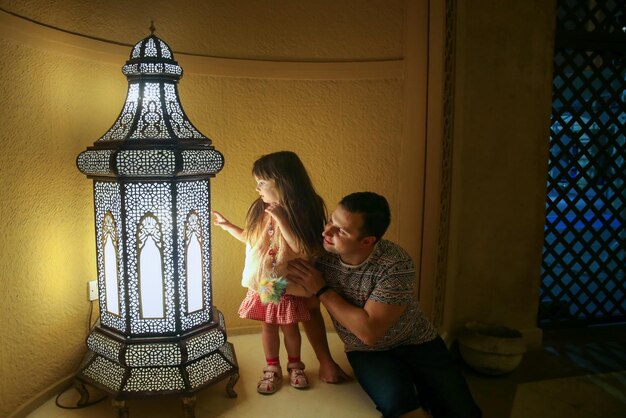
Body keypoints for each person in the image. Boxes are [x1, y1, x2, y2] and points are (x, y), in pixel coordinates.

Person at [287, 192, 482, 418]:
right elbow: (311, 310)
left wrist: (321, 289)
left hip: (417, 340)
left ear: (367, 241)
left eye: (341, 230)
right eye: (331, 220)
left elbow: (370, 331)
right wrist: (325, 360)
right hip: (366, 353)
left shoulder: (395, 264)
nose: (326, 232)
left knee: (462, 412)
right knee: (400, 406)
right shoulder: (320, 257)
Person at [211, 151, 345, 394]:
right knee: (269, 324)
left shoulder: (302, 210)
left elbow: (303, 250)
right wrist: (227, 225)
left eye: (262, 183)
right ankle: (272, 367)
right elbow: (251, 240)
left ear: (282, 183)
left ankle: (295, 365)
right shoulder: (262, 210)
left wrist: (282, 219)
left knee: (290, 325)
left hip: (290, 282)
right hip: (268, 282)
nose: (257, 189)